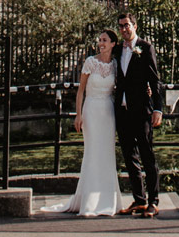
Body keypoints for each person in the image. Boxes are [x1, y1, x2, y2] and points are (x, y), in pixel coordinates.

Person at [45, 30, 125, 217]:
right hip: (91, 109)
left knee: (107, 154)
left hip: (108, 111)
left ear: (113, 43)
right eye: (100, 40)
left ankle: (108, 200)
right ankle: (89, 202)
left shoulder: (115, 65)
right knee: (92, 153)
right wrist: (78, 114)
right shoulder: (90, 62)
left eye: (105, 40)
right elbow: (81, 91)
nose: (101, 43)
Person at [115, 13, 164, 217]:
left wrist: (157, 108)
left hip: (141, 111)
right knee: (129, 156)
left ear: (135, 25)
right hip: (122, 110)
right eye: (121, 26)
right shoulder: (118, 50)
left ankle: (153, 201)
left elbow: (155, 81)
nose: (124, 29)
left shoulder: (145, 47)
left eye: (127, 25)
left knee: (147, 155)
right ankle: (139, 200)